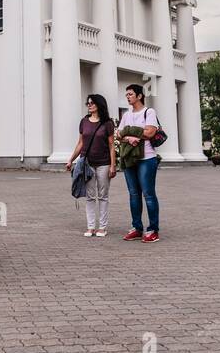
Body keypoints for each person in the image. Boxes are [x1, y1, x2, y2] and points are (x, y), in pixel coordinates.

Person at [66, 94, 117, 237]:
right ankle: (90, 227)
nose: (89, 105)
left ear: (99, 105)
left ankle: (102, 227)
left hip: (104, 164)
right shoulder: (84, 122)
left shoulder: (107, 123)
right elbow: (80, 143)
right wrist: (71, 159)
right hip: (87, 164)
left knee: (103, 196)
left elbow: (111, 145)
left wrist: (113, 165)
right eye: (87, 103)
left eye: (92, 103)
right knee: (90, 196)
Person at [116, 84, 161, 242]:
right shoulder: (127, 114)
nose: (128, 96)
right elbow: (118, 134)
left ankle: (153, 229)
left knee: (148, 194)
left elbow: (150, 132)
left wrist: (130, 132)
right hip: (130, 158)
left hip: (147, 158)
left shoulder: (149, 112)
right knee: (133, 194)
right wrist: (129, 137)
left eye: (130, 94)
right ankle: (137, 227)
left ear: (140, 96)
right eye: (126, 94)